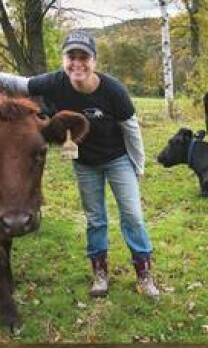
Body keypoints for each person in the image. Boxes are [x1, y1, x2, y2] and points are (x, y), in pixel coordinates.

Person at [0, 30, 159, 298]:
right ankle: (100, 274)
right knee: (95, 218)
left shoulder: (113, 90)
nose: (77, 63)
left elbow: (131, 128)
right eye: (71, 56)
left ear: (94, 60)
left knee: (132, 215)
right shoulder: (54, 82)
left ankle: (144, 275)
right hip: (85, 163)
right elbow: (20, 83)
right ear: (64, 60)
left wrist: (138, 165)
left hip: (118, 159)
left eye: (83, 57)